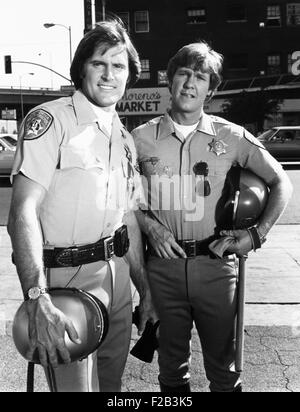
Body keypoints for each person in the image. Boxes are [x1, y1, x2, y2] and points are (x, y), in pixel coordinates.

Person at [132, 42, 293, 392]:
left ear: (211, 88)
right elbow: (124, 199)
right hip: (162, 270)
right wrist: (147, 224)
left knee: (225, 372)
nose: (190, 83)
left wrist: (255, 236)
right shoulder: (139, 138)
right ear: (170, 80)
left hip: (217, 268)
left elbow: (281, 181)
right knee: (171, 373)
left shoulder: (231, 136)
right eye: (184, 74)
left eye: (200, 77)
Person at [8, 20, 156, 392]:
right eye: (99, 63)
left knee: (111, 388)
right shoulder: (51, 120)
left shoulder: (123, 137)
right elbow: (22, 211)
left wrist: (145, 289)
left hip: (117, 280)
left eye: (118, 66)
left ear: (129, 76)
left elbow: (128, 219)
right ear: (81, 69)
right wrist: (37, 297)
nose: (109, 75)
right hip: (64, 282)